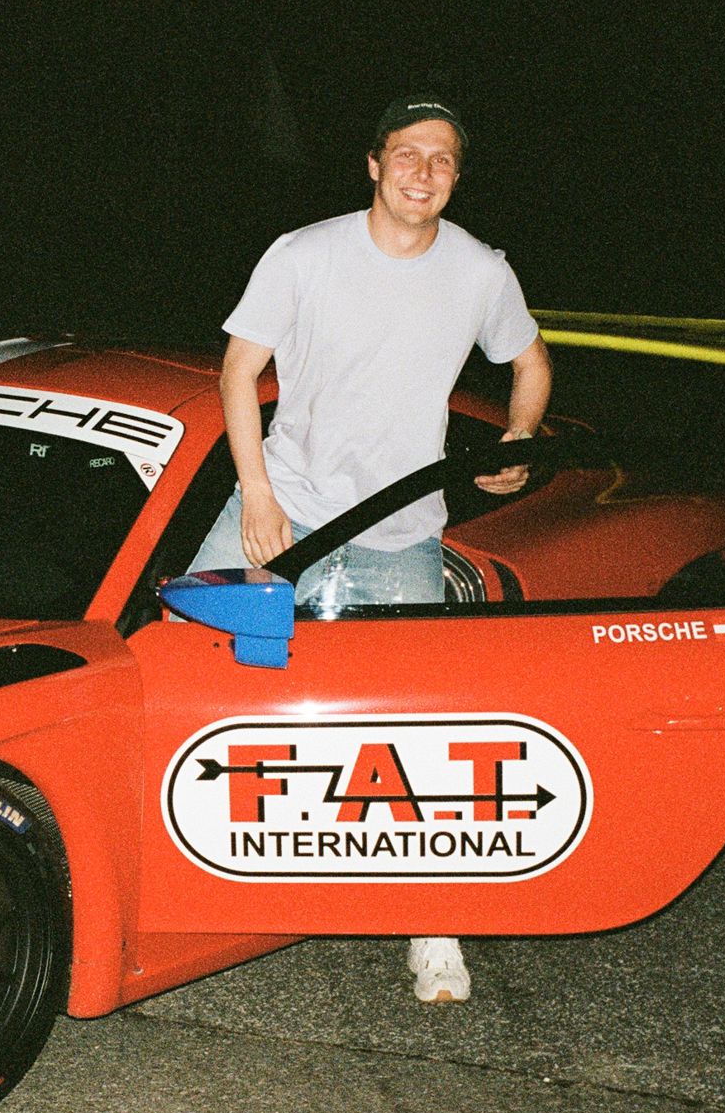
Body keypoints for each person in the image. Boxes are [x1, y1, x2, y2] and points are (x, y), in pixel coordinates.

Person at [189, 95, 552, 1004]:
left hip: (401, 528)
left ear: (457, 177)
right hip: (290, 505)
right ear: (372, 164)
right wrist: (261, 497)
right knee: (186, 661)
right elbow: (238, 371)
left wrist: (518, 440)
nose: (422, 172)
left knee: (420, 726)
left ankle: (433, 931)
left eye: (441, 159)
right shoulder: (305, 253)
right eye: (406, 154)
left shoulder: (478, 271)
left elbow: (531, 361)